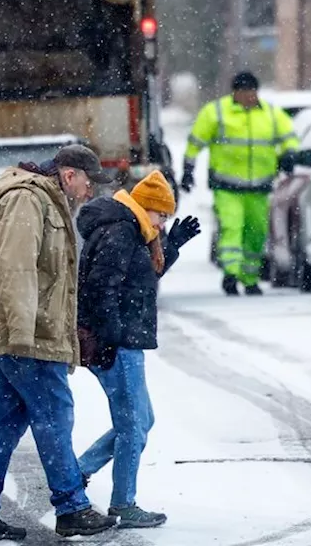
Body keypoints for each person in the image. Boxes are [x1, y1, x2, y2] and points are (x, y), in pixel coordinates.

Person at [0, 144, 121, 542]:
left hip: (19, 334)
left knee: (6, 420)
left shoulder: (44, 202)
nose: (89, 192)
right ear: (68, 175)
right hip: (23, 337)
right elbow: (16, 268)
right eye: (87, 183)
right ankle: (71, 507)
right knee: (54, 415)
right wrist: (21, 334)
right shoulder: (29, 202)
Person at [74, 170, 201, 529]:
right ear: (146, 207)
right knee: (132, 425)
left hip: (124, 340)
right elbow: (102, 288)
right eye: (161, 217)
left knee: (141, 420)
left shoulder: (131, 230)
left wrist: (171, 246)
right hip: (119, 344)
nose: (161, 225)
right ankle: (123, 504)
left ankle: (77, 471)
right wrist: (111, 338)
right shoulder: (120, 232)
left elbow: (139, 277)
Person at [181, 71, 300, 296]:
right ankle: (231, 274)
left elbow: (289, 137)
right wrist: (188, 169)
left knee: (256, 233)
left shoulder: (271, 114)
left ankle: (250, 278)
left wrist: (290, 154)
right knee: (232, 227)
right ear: (235, 92)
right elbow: (195, 141)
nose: (249, 97)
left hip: (260, 187)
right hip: (227, 186)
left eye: (253, 92)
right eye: (245, 92)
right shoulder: (216, 112)